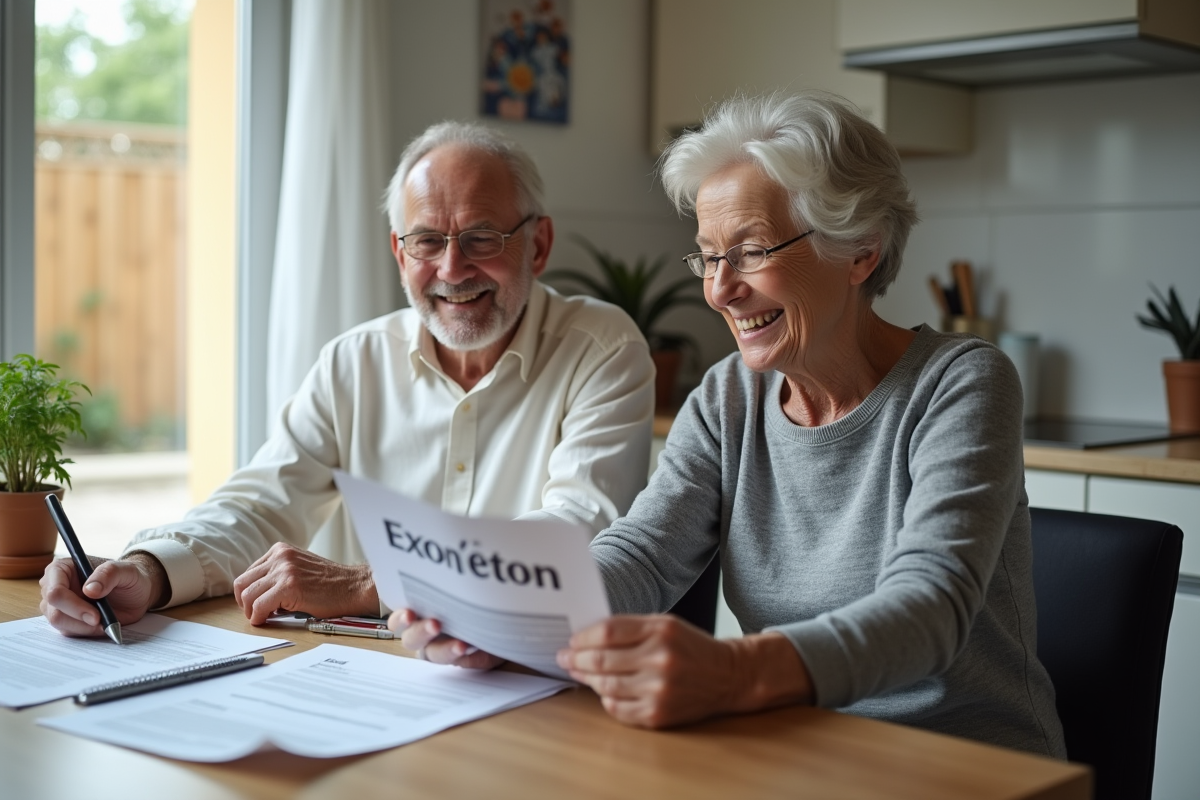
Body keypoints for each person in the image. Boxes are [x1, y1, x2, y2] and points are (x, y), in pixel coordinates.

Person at [400, 92, 1067, 758]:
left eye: (749, 253)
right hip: (799, 751)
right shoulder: (729, 397)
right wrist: (504, 613)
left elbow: (931, 606)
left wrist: (737, 669)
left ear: (860, 249)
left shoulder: (961, 383)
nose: (720, 290)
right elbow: (642, 553)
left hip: (968, 767)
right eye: (709, 257)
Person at [40, 122, 655, 643]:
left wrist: (371, 583)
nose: (451, 267)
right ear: (398, 252)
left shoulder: (602, 348)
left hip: (530, 679)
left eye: (481, 238)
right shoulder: (354, 360)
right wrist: (147, 571)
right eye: (426, 241)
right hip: (367, 673)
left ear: (538, 245)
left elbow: (578, 537)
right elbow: (260, 504)